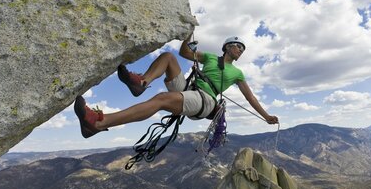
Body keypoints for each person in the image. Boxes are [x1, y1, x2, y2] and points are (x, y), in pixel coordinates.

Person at [74, 35, 279, 138]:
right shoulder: (208, 57)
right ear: (227, 47)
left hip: (206, 101)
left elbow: (250, 97)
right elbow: (184, 53)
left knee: (161, 100)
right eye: (238, 46)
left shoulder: (238, 73)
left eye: (243, 48)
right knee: (169, 57)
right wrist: (188, 34)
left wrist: (265, 116)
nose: (240, 50)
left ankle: (99, 124)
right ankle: (142, 83)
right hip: (190, 90)